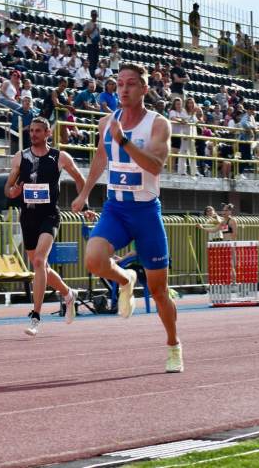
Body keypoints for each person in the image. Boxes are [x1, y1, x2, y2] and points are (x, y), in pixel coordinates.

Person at [71, 63, 182, 373]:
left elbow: (156, 166)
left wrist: (125, 142)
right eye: (119, 83)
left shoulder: (158, 125)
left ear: (144, 89)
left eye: (131, 84)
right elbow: (100, 158)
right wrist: (84, 192)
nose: (123, 89)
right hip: (115, 208)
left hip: (146, 212)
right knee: (93, 259)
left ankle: (174, 344)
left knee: (160, 292)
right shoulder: (107, 122)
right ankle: (126, 278)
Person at [5, 117, 86, 336]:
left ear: (48, 133)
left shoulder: (60, 157)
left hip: (49, 215)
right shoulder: (20, 157)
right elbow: (8, 188)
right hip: (27, 216)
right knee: (42, 267)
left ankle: (36, 316)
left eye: (38, 131)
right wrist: (13, 192)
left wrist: (84, 203)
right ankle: (69, 294)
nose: (33, 134)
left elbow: (80, 179)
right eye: (31, 131)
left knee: (39, 261)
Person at [83, 10, 100, 76]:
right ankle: (91, 74)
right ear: (91, 16)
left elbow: (99, 34)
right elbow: (84, 33)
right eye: (93, 15)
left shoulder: (98, 24)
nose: (94, 16)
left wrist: (101, 44)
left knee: (96, 60)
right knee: (91, 59)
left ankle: (95, 73)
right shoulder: (88, 24)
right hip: (90, 43)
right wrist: (93, 28)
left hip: (96, 44)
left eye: (95, 15)